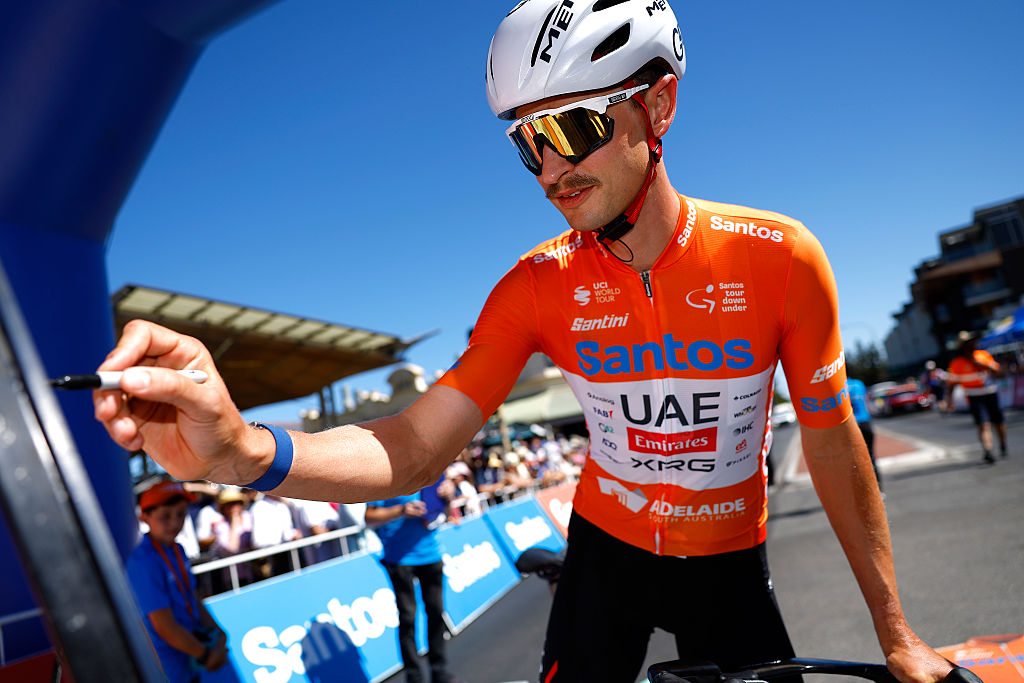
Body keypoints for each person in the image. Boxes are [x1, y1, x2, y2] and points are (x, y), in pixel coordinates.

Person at [91, 2, 955, 682]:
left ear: (657, 104)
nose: (548, 170)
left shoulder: (781, 258)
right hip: (606, 553)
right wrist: (244, 449)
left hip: (729, 557)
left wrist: (896, 631)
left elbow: (836, 445)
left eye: (571, 129)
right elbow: (412, 446)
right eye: (525, 144)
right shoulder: (537, 285)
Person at [126, 479, 229, 682]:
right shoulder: (143, 561)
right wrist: (205, 655)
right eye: (165, 516)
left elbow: (191, 594)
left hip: (188, 658)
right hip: (165, 667)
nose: (175, 523)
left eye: (181, 514)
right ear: (144, 517)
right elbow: (163, 626)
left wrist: (217, 631)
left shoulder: (177, 549)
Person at [365, 482, 461, 683]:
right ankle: (414, 676)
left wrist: (448, 497)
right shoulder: (387, 478)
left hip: (431, 554)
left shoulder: (432, 473)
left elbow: (444, 512)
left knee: (436, 613)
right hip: (399, 559)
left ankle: (439, 671)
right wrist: (400, 510)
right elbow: (369, 516)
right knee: (408, 618)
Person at [946, 331, 1008, 463]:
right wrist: (949, 400)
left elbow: (999, 372)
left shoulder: (983, 355)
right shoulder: (957, 363)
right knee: (983, 424)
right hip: (974, 396)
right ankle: (988, 451)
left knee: (998, 422)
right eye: (968, 343)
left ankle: (1003, 445)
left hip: (990, 392)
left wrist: (983, 365)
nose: (972, 344)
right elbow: (951, 384)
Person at [848, 377, 882, 491]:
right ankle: (879, 489)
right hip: (866, 423)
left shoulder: (840, 386)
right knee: (871, 457)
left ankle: (863, 490)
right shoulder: (859, 383)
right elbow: (866, 401)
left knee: (854, 462)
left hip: (852, 425)